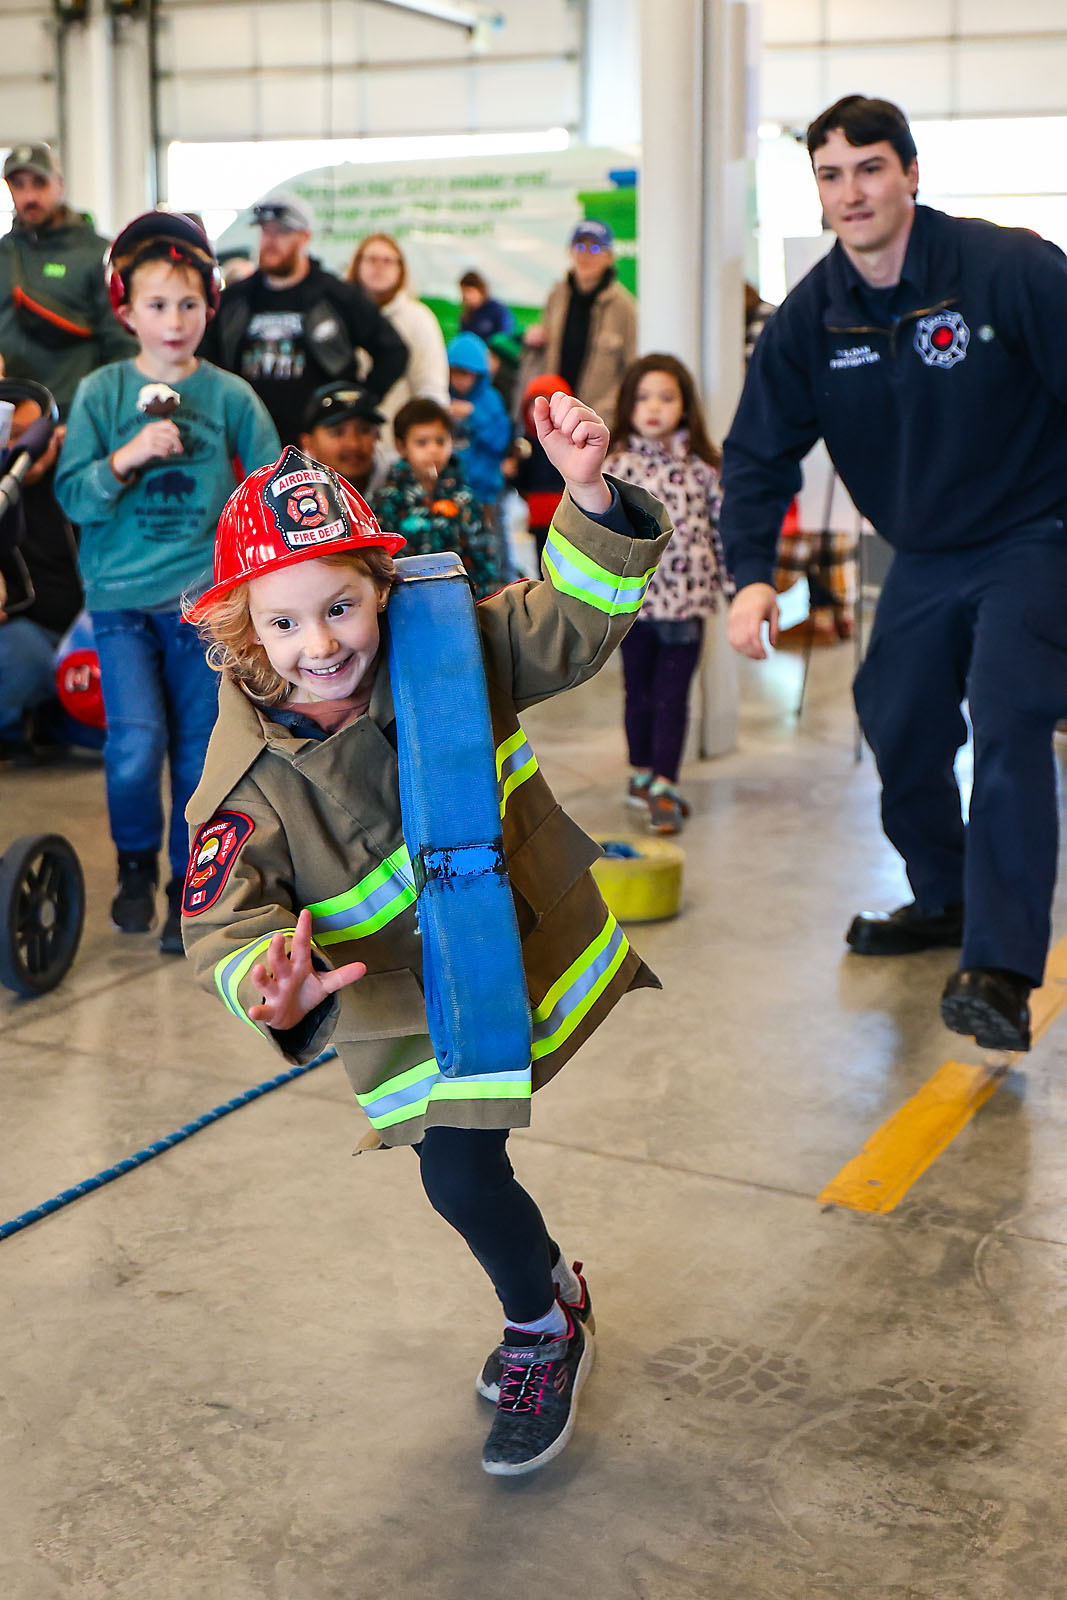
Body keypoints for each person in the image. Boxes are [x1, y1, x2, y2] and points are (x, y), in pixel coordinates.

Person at [181, 397, 672, 1476]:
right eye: (284, 622)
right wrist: (264, 982)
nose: (320, 644)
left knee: (457, 1177)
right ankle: (554, 1283)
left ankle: (542, 1327)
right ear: (241, 631)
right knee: (458, 1165)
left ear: (380, 587)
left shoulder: (448, 647)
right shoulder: (244, 787)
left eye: (341, 607)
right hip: (406, 1015)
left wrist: (586, 495)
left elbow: (573, 624)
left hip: (522, 951)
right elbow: (221, 918)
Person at [720, 93, 1067, 1053]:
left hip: (1035, 535)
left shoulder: (1007, 268)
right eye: (829, 174)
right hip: (920, 551)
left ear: (909, 173)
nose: (851, 191)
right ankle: (946, 896)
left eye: (869, 167)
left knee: (1006, 719)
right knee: (896, 717)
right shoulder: (811, 319)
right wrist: (750, 574)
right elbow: (756, 455)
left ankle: (997, 968)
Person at [54, 210, 279, 956]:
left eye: (188, 304)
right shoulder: (101, 394)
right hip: (118, 601)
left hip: (202, 607)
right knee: (134, 747)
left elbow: (272, 486)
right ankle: (132, 866)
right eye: (156, 305)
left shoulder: (230, 397)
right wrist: (126, 457)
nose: (174, 321)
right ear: (126, 311)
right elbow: (72, 496)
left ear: (210, 305)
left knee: (196, 755)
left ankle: (191, 887)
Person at [606, 354, 729, 834]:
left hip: (688, 604)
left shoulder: (704, 469)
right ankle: (640, 773)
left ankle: (664, 785)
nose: (653, 407)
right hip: (634, 605)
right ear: (628, 405)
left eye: (666, 397)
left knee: (672, 697)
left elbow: (723, 532)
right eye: (643, 397)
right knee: (637, 692)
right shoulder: (614, 466)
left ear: (685, 406)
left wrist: (739, 590)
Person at [201, 192, 408, 447]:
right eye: (266, 231)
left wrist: (356, 406)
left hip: (322, 449)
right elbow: (205, 356)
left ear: (305, 237)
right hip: (249, 442)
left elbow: (394, 351)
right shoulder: (235, 299)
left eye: (282, 232)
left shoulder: (336, 296)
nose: (271, 240)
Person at [0, 142, 136, 417]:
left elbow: (123, 345)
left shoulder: (100, 254)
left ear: (59, 185)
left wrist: (102, 416)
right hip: (11, 419)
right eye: (18, 185)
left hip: (76, 417)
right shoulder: (3, 254)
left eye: (39, 183)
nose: (29, 196)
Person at [0, 393, 83, 758]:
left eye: (33, 435)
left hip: (87, 627)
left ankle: (50, 723)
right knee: (19, 659)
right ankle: (12, 733)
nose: (24, 447)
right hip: (26, 630)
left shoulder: (75, 479)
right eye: (12, 434)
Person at [373, 397, 498, 598]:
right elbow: (381, 560)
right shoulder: (387, 499)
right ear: (401, 446)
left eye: (440, 441)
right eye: (422, 442)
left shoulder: (465, 498)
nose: (433, 450)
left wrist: (485, 598)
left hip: (462, 599)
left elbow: (484, 552)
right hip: (406, 601)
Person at [521, 220, 636, 424]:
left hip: (600, 420)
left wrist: (608, 411)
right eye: (580, 246)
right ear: (570, 252)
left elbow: (631, 370)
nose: (585, 255)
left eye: (594, 248)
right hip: (555, 416)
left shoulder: (625, 307)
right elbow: (543, 352)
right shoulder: (556, 295)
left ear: (609, 257)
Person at [347, 232, 449, 443]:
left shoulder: (418, 318)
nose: (379, 266)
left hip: (396, 445)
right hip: (345, 445)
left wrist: (425, 443)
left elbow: (430, 386)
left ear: (400, 269)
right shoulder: (338, 315)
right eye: (372, 259)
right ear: (358, 264)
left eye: (388, 261)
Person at [446, 331, 512, 508]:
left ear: (479, 374)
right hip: (451, 487)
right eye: (455, 373)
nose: (459, 380)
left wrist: (474, 415)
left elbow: (500, 441)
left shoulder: (491, 400)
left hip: (484, 491)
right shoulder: (445, 397)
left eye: (465, 374)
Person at [513, 372, 571, 564]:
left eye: (548, 402)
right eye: (535, 404)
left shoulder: (569, 442)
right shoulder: (526, 443)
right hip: (537, 513)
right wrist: (513, 471)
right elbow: (522, 480)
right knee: (542, 561)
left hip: (565, 512)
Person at [298, 381, 389, 502]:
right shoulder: (286, 497)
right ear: (308, 443)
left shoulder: (402, 480)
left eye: (364, 430)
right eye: (337, 432)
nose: (353, 444)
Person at [458, 270, 515, 343]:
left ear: (480, 290)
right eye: (463, 291)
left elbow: (505, 335)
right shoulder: (466, 314)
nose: (466, 296)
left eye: (469, 291)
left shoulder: (497, 309)